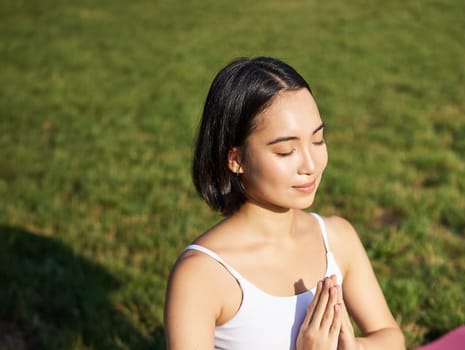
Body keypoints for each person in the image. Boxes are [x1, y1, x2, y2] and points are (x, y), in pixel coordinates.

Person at [165, 57, 405, 350]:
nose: (311, 164)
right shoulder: (202, 276)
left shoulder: (337, 238)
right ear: (236, 159)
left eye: (318, 140)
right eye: (286, 150)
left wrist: (354, 348)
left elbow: (390, 337)